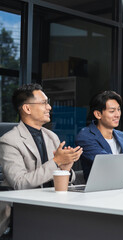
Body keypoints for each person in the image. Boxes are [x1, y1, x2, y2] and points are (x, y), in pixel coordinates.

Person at [0, 83, 83, 235]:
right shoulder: (9, 140)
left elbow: (58, 176)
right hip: (24, 211)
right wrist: (56, 162)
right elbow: (20, 183)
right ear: (27, 108)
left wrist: (66, 170)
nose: (49, 107)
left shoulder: (52, 136)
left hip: (52, 206)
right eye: (44, 103)